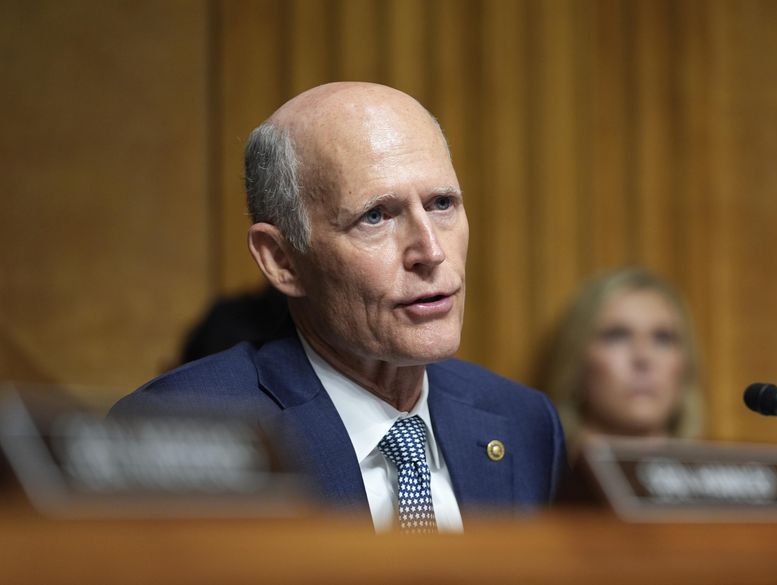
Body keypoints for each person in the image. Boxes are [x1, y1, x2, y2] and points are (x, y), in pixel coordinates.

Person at [111, 82, 566, 533]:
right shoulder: (186, 431)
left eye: (442, 203)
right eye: (376, 216)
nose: (430, 251)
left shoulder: (524, 422)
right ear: (282, 260)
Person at [542, 267, 702, 450]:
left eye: (663, 338)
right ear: (576, 360)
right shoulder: (539, 476)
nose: (643, 357)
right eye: (617, 336)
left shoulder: (720, 475)